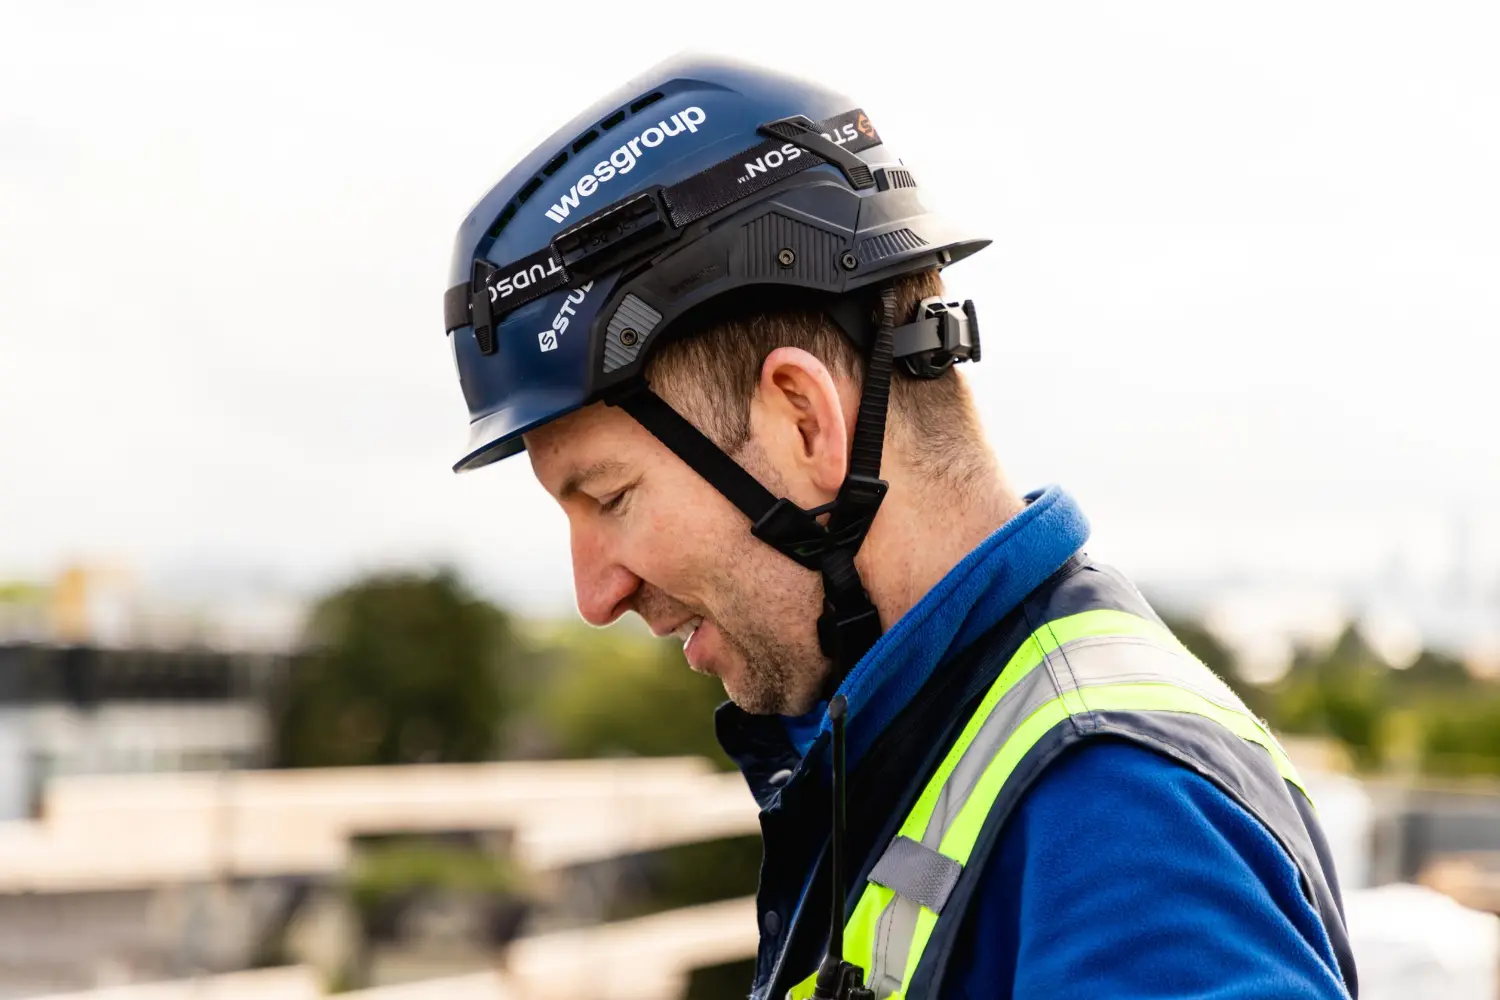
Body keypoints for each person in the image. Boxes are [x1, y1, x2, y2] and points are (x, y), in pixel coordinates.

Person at [438, 54, 1357, 1000]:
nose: (596, 594)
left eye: (610, 497)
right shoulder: (926, 741)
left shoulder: (1119, 820)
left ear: (803, 422)